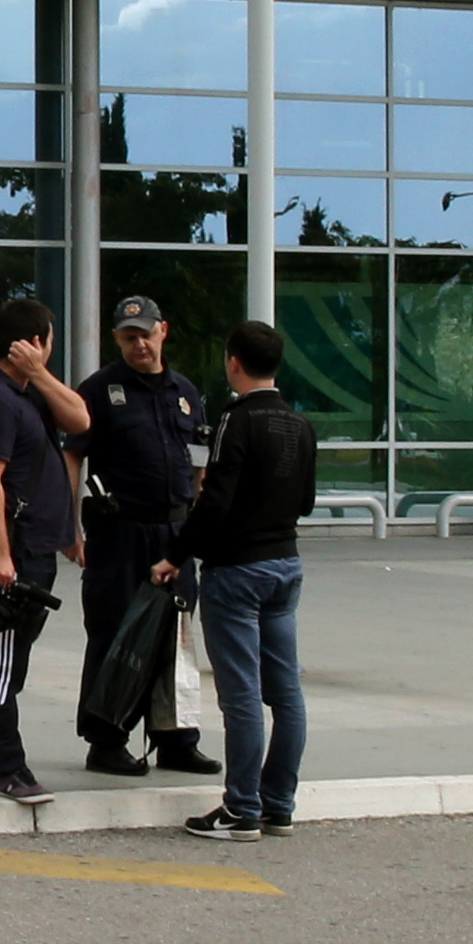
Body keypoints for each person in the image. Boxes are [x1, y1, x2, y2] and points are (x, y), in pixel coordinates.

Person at [158, 319, 315, 842]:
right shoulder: (299, 424)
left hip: (237, 570)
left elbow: (215, 500)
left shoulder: (236, 420)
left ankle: (240, 807)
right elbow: (307, 502)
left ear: (233, 363)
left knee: (241, 693)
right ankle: (279, 805)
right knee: (286, 693)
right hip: (285, 565)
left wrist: (177, 555)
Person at [0, 296, 91, 808]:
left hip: (40, 542)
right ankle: (6, 764)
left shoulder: (25, 392)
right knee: (7, 657)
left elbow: (80, 422)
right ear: (34, 344)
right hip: (18, 550)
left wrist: (42, 376)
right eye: (49, 341)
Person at [68, 294, 218, 780]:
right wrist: (70, 525)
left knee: (177, 637)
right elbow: (73, 457)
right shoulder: (98, 390)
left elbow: (199, 458)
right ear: (117, 339)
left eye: (146, 335)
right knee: (113, 632)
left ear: (163, 332)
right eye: (129, 337)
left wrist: (199, 517)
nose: (139, 344)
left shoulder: (185, 391)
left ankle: (175, 739)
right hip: (119, 531)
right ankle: (106, 739)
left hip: (174, 530)